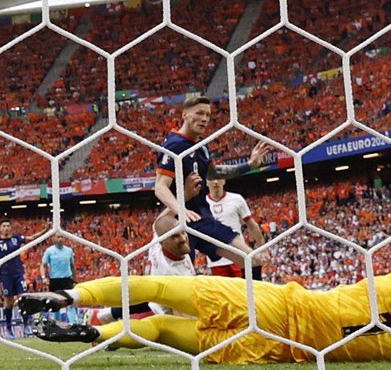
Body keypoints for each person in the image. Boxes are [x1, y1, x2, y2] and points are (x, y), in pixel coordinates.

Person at [18, 271, 391, 364]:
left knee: (155, 290)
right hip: (271, 349)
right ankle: (89, 332)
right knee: (156, 330)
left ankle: (70, 301)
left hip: (273, 303)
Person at [155, 96, 270, 271]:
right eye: (199, 113)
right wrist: (181, 209)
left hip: (203, 219)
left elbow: (214, 173)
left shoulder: (201, 147)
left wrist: (249, 165)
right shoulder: (174, 145)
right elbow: (160, 187)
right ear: (185, 115)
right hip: (178, 225)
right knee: (184, 280)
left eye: (208, 115)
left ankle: (255, 298)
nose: (204, 119)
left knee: (251, 260)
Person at [90, 209, 197, 326]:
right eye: (175, 236)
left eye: (183, 232)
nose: (183, 238)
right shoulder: (172, 274)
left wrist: (180, 201)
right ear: (164, 242)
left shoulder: (157, 242)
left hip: (151, 293)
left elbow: (159, 223)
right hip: (161, 313)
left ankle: (102, 316)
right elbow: (183, 316)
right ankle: (105, 333)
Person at [0, 221, 45, 338]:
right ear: (0, 228)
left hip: (18, 273)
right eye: (4, 226)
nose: (6, 228)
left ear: (11, 228)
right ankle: (8, 327)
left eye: (8, 226)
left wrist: (46, 230)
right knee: (9, 301)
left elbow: (32, 238)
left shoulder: (16, 238)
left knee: (23, 298)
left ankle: (26, 325)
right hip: (5, 274)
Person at [205, 178, 265, 281]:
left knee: (242, 292)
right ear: (206, 182)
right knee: (224, 294)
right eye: (211, 179)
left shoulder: (236, 199)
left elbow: (252, 226)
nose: (215, 182)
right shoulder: (201, 203)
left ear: (223, 181)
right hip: (216, 260)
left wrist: (263, 249)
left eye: (218, 178)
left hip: (239, 256)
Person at [41, 236, 77, 323]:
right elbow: (43, 265)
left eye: (62, 237)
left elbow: (72, 266)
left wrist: (74, 280)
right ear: (53, 239)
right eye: (58, 237)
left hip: (67, 280)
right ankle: (57, 323)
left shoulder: (69, 251)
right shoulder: (49, 251)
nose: (60, 239)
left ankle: (74, 324)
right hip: (55, 280)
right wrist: (43, 277)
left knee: (71, 302)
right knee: (56, 304)